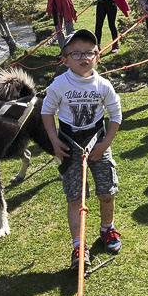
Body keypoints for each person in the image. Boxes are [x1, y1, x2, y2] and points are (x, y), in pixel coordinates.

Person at [41, 29, 123, 270]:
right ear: (65, 60)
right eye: (76, 53)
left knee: (107, 190)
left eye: (89, 52)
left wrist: (105, 144)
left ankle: (107, 228)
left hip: (98, 141)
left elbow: (115, 114)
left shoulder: (103, 85)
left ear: (97, 56)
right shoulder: (59, 84)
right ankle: (79, 245)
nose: (83, 57)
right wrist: (54, 141)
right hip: (69, 146)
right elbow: (47, 111)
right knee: (76, 197)